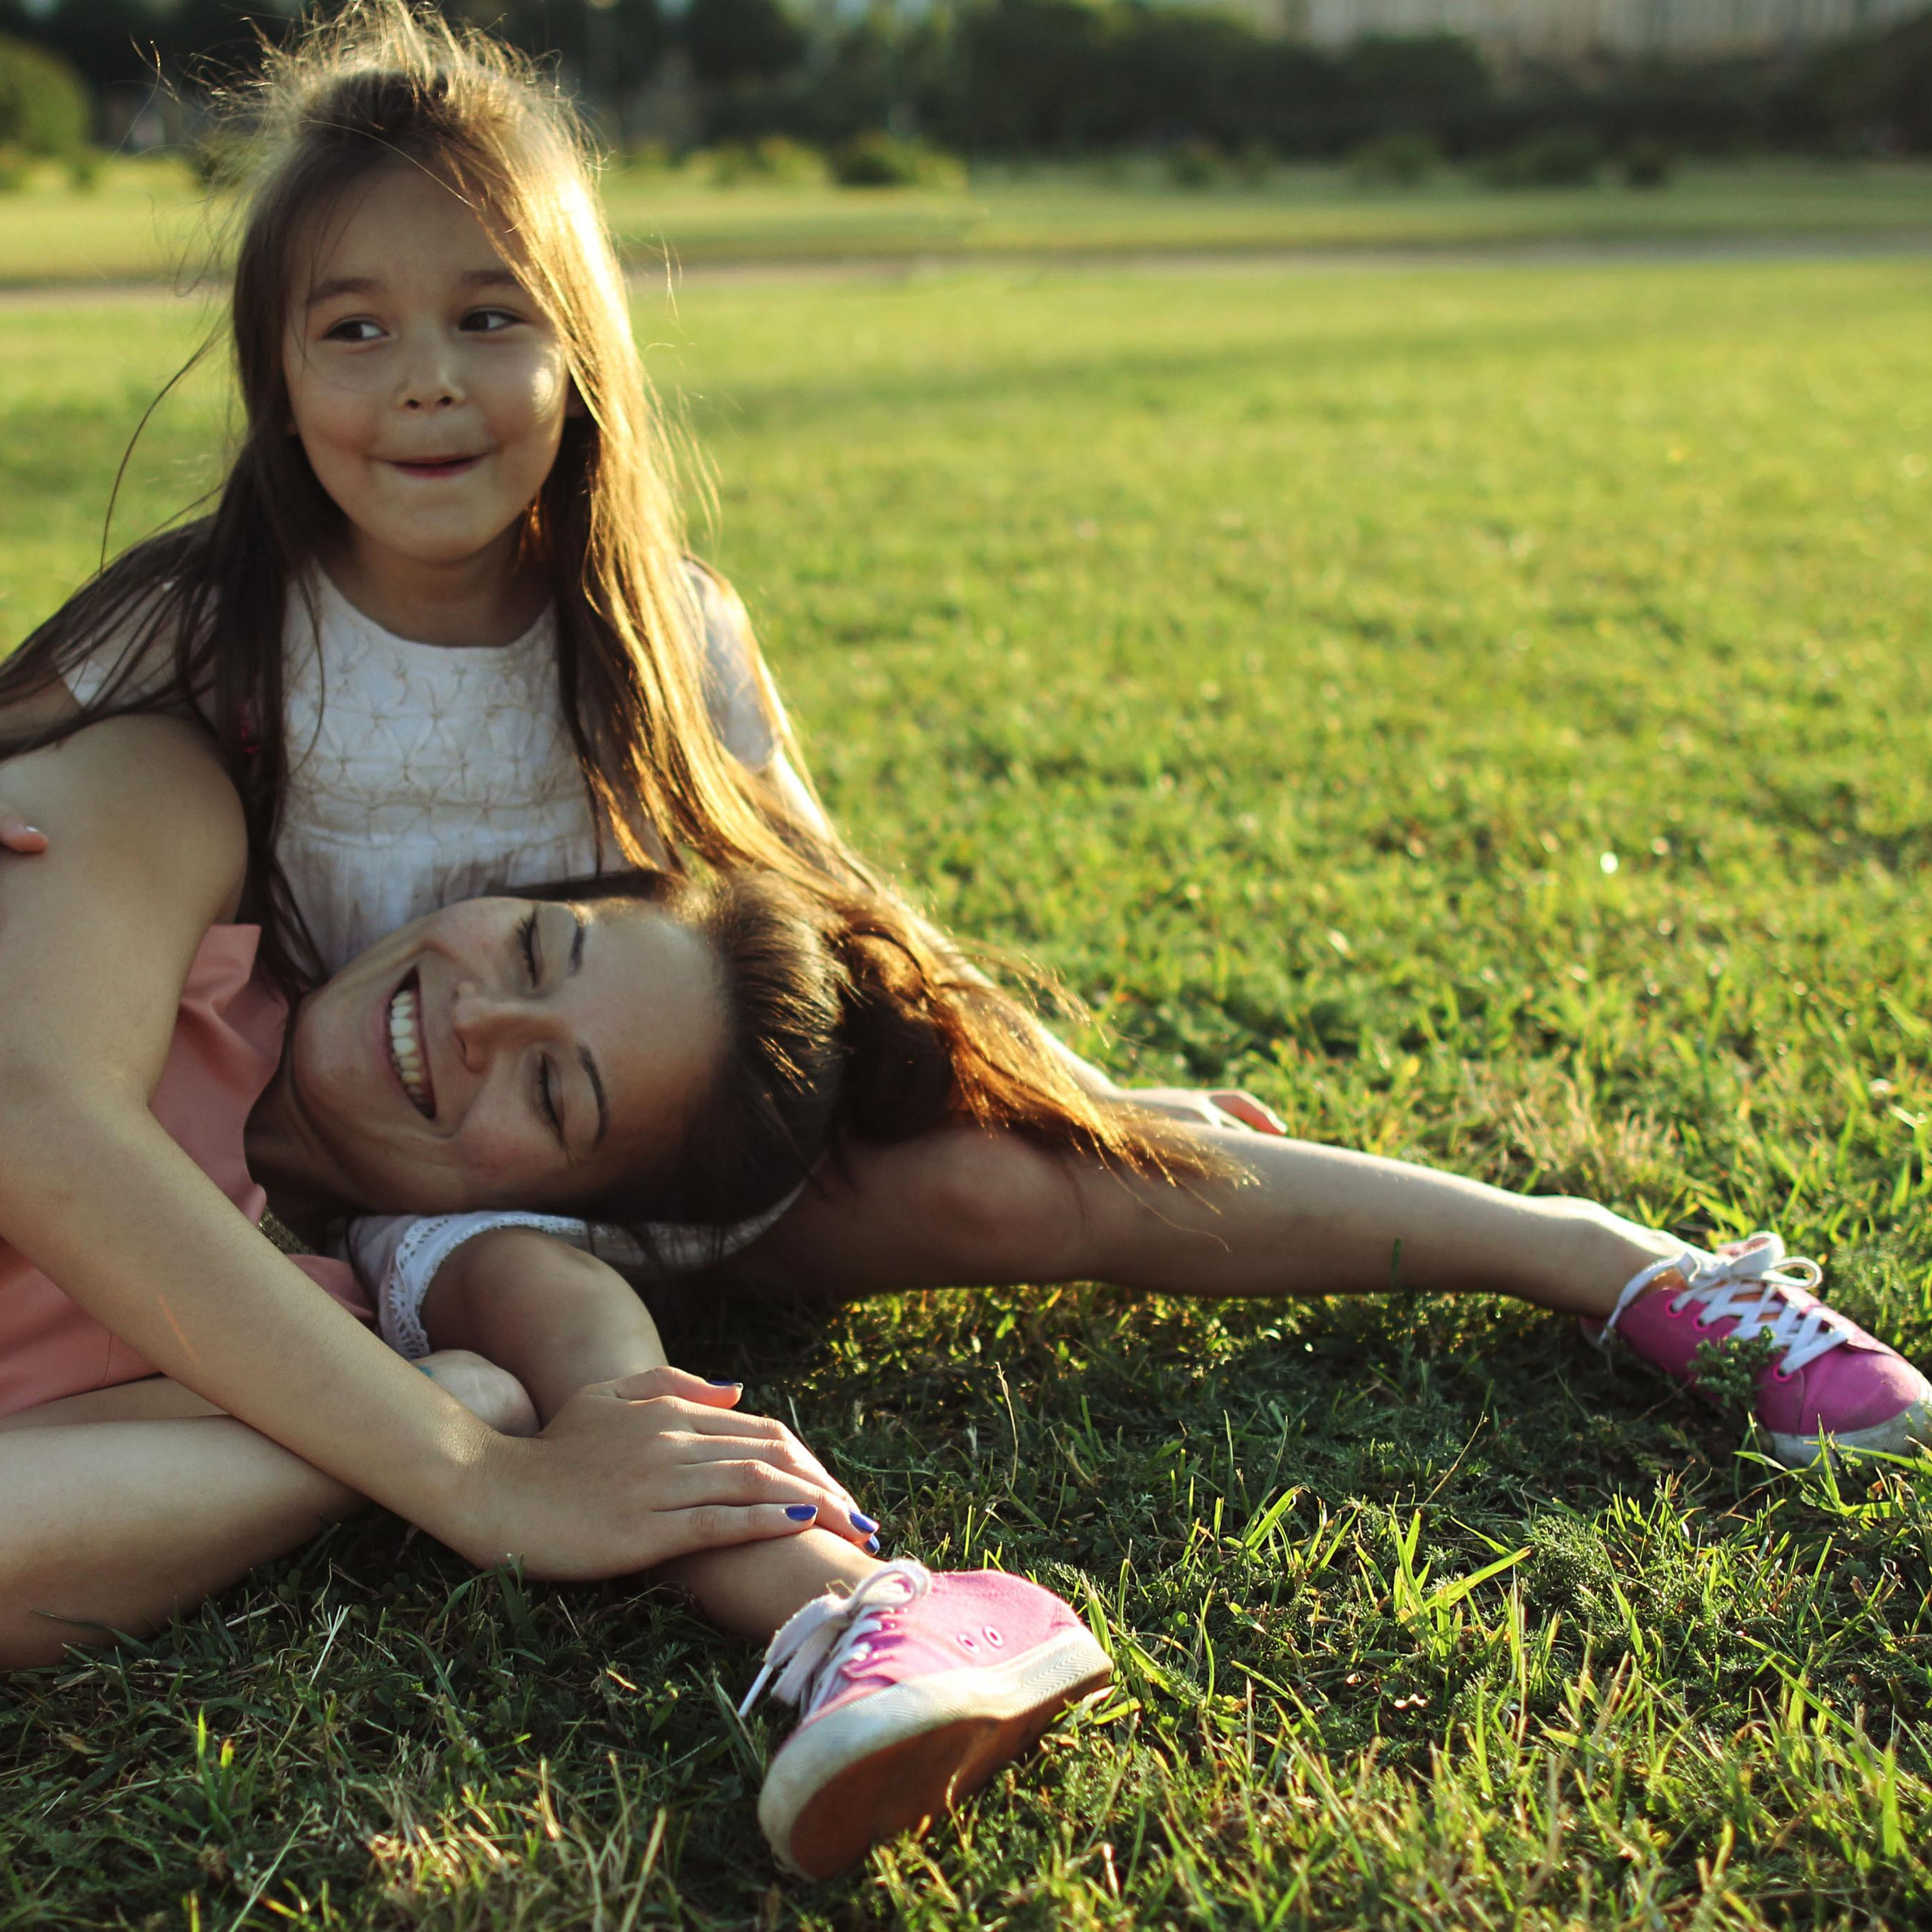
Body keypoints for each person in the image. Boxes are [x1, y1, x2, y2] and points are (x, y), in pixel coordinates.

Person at [0, 711, 1123, 1879]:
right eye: (536, 950)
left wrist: (450, 1410)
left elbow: (592, 1356)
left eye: (552, 1096)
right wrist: (471, 1464)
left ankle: (907, 1615)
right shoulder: (168, 817)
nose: (479, 1021)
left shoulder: (309, 1348)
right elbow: (38, 1121)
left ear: (543, 1202)